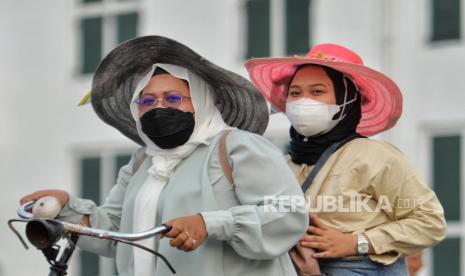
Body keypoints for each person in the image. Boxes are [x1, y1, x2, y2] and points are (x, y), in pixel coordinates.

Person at [20, 36, 309, 276]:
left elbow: (287, 215)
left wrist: (209, 223)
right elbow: (115, 234)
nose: (159, 107)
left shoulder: (238, 147)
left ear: (201, 101)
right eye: (147, 101)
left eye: (173, 98)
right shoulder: (142, 162)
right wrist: (66, 208)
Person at [246, 43, 447, 275]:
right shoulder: (284, 164)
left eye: (317, 91)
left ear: (346, 100)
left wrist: (357, 242)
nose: (303, 101)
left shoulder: (376, 156)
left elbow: (429, 222)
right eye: (295, 93)